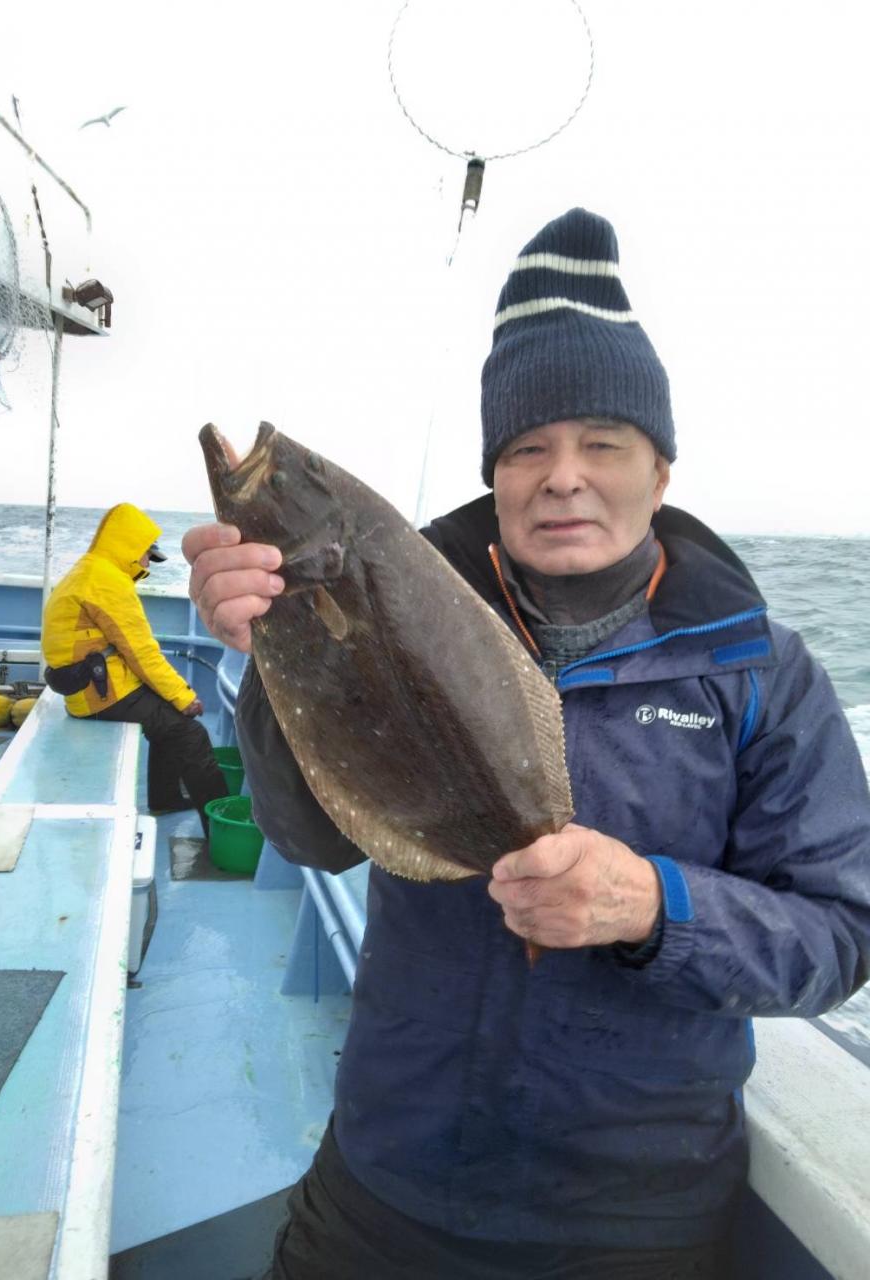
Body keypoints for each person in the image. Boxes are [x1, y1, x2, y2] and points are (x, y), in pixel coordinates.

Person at [182, 209, 870, 1279]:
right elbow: (311, 838)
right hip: (388, 1179)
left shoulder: (760, 672)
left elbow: (840, 932)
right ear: (496, 474)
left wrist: (654, 905)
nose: (563, 476)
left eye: (604, 444)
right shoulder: (394, 595)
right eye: (528, 448)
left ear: (661, 471)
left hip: (633, 1221)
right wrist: (272, 647)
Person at [42, 502, 226, 836]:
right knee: (191, 733)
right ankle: (220, 827)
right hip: (100, 695)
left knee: (167, 723)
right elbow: (141, 652)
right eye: (146, 556)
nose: (147, 564)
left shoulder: (90, 570)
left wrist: (174, 698)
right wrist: (184, 697)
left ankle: (165, 798)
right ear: (130, 548)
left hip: (88, 686)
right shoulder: (107, 582)